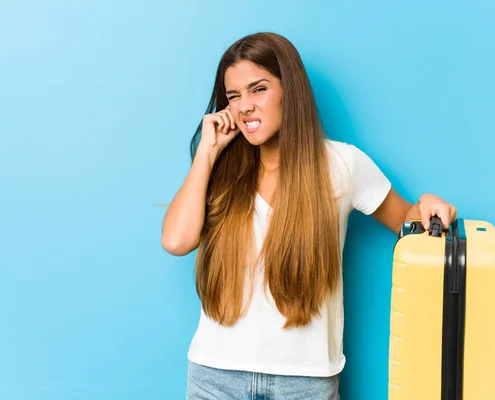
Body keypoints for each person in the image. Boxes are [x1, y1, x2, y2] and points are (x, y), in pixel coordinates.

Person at [161, 32, 457, 400]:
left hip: (304, 382)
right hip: (215, 376)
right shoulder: (221, 168)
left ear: (291, 90)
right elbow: (176, 241)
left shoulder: (343, 165)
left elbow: (406, 221)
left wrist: (426, 203)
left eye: (258, 89)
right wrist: (207, 152)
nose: (244, 106)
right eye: (234, 96)